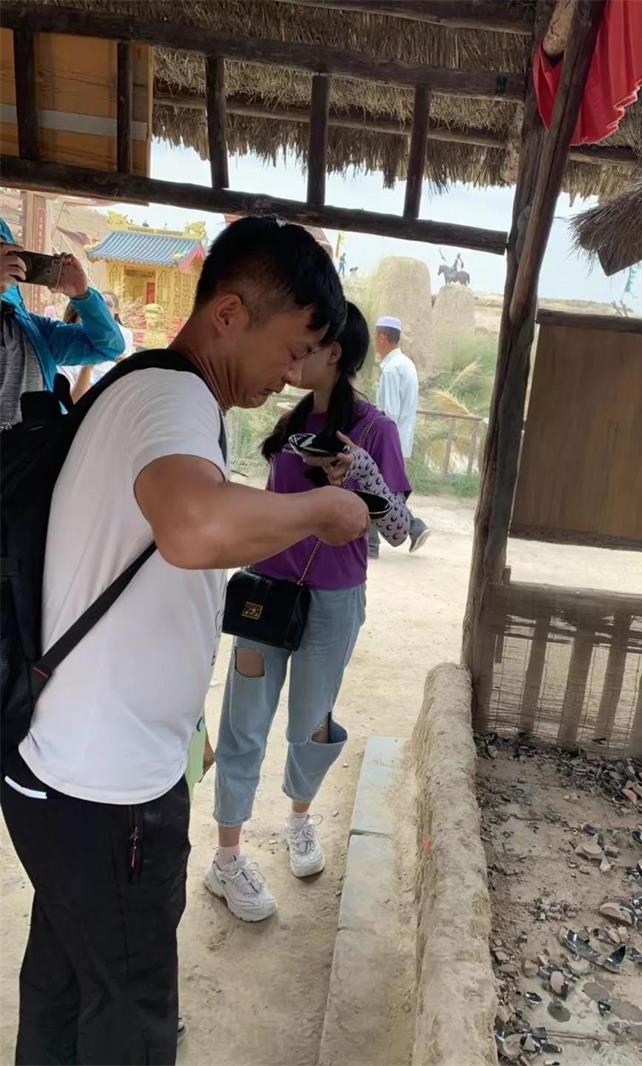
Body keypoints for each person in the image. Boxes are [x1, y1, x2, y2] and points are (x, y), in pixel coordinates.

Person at [0, 217, 369, 1066]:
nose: (294, 373)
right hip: (109, 789)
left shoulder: (149, 394)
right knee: (130, 1011)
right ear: (230, 315)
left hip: (67, 769)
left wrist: (185, 723)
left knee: (67, 982)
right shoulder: (173, 399)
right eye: (293, 347)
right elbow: (194, 527)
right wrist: (324, 508)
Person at [207, 301, 411, 921]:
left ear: (336, 353)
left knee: (311, 723)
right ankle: (226, 858)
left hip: (334, 601)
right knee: (243, 723)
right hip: (265, 594)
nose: (294, 354)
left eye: (308, 343)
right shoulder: (288, 421)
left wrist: (361, 477)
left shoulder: (374, 430)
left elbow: (399, 528)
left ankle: (299, 818)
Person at [0, 217, 125, 425]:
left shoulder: (34, 331)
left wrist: (83, 296)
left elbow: (108, 347)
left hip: (34, 444)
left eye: (7, 253)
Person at [371, 314, 430, 557]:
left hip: (390, 441)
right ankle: (413, 528)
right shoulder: (405, 364)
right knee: (385, 489)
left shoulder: (391, 370)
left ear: (382, 338)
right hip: (400, 440)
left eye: (376, 336)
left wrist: (380, 444)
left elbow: (389, 414)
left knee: (374, 487)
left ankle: (375, 543)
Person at [68, 292, 136, 400]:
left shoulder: (124, 337)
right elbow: (74, 400)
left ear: (116, 310)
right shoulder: (68, 357)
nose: (103, 309)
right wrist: (88, 366)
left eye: (108, 305)